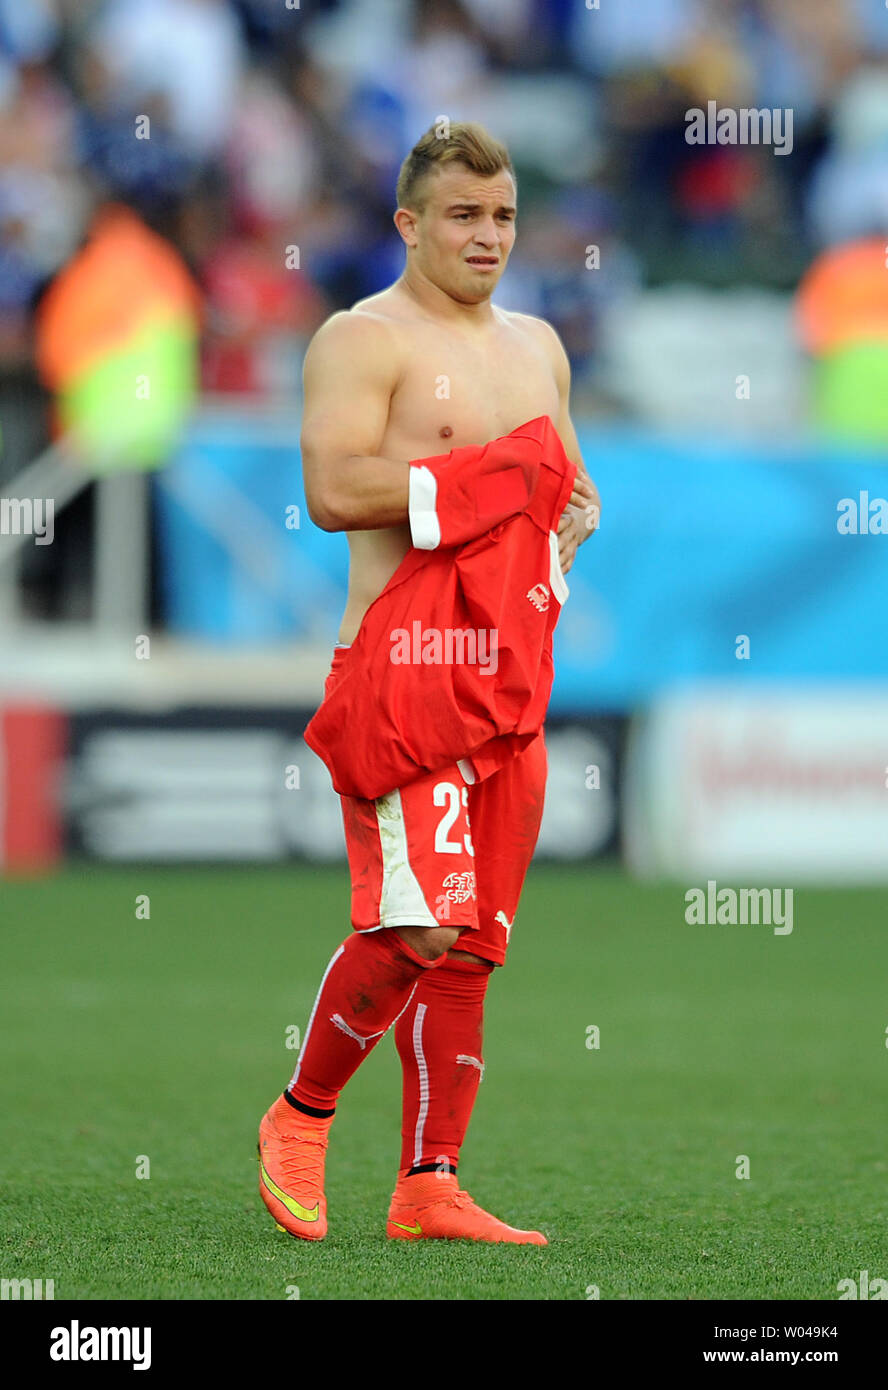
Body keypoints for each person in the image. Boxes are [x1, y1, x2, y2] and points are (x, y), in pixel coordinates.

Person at [258, 120, 600, 1244]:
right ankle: (301, 1117)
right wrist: (493, 480)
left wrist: (553, 540)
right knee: (419, 927)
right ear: (408, 223)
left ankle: (429, 1182)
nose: (487, 234)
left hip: (508, 683)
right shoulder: (363, 338)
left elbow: (574, 494)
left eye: (502, 215)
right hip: (404, 672)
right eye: (463, 214)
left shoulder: (539, 346)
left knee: (475, 943)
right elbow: (334, 486)